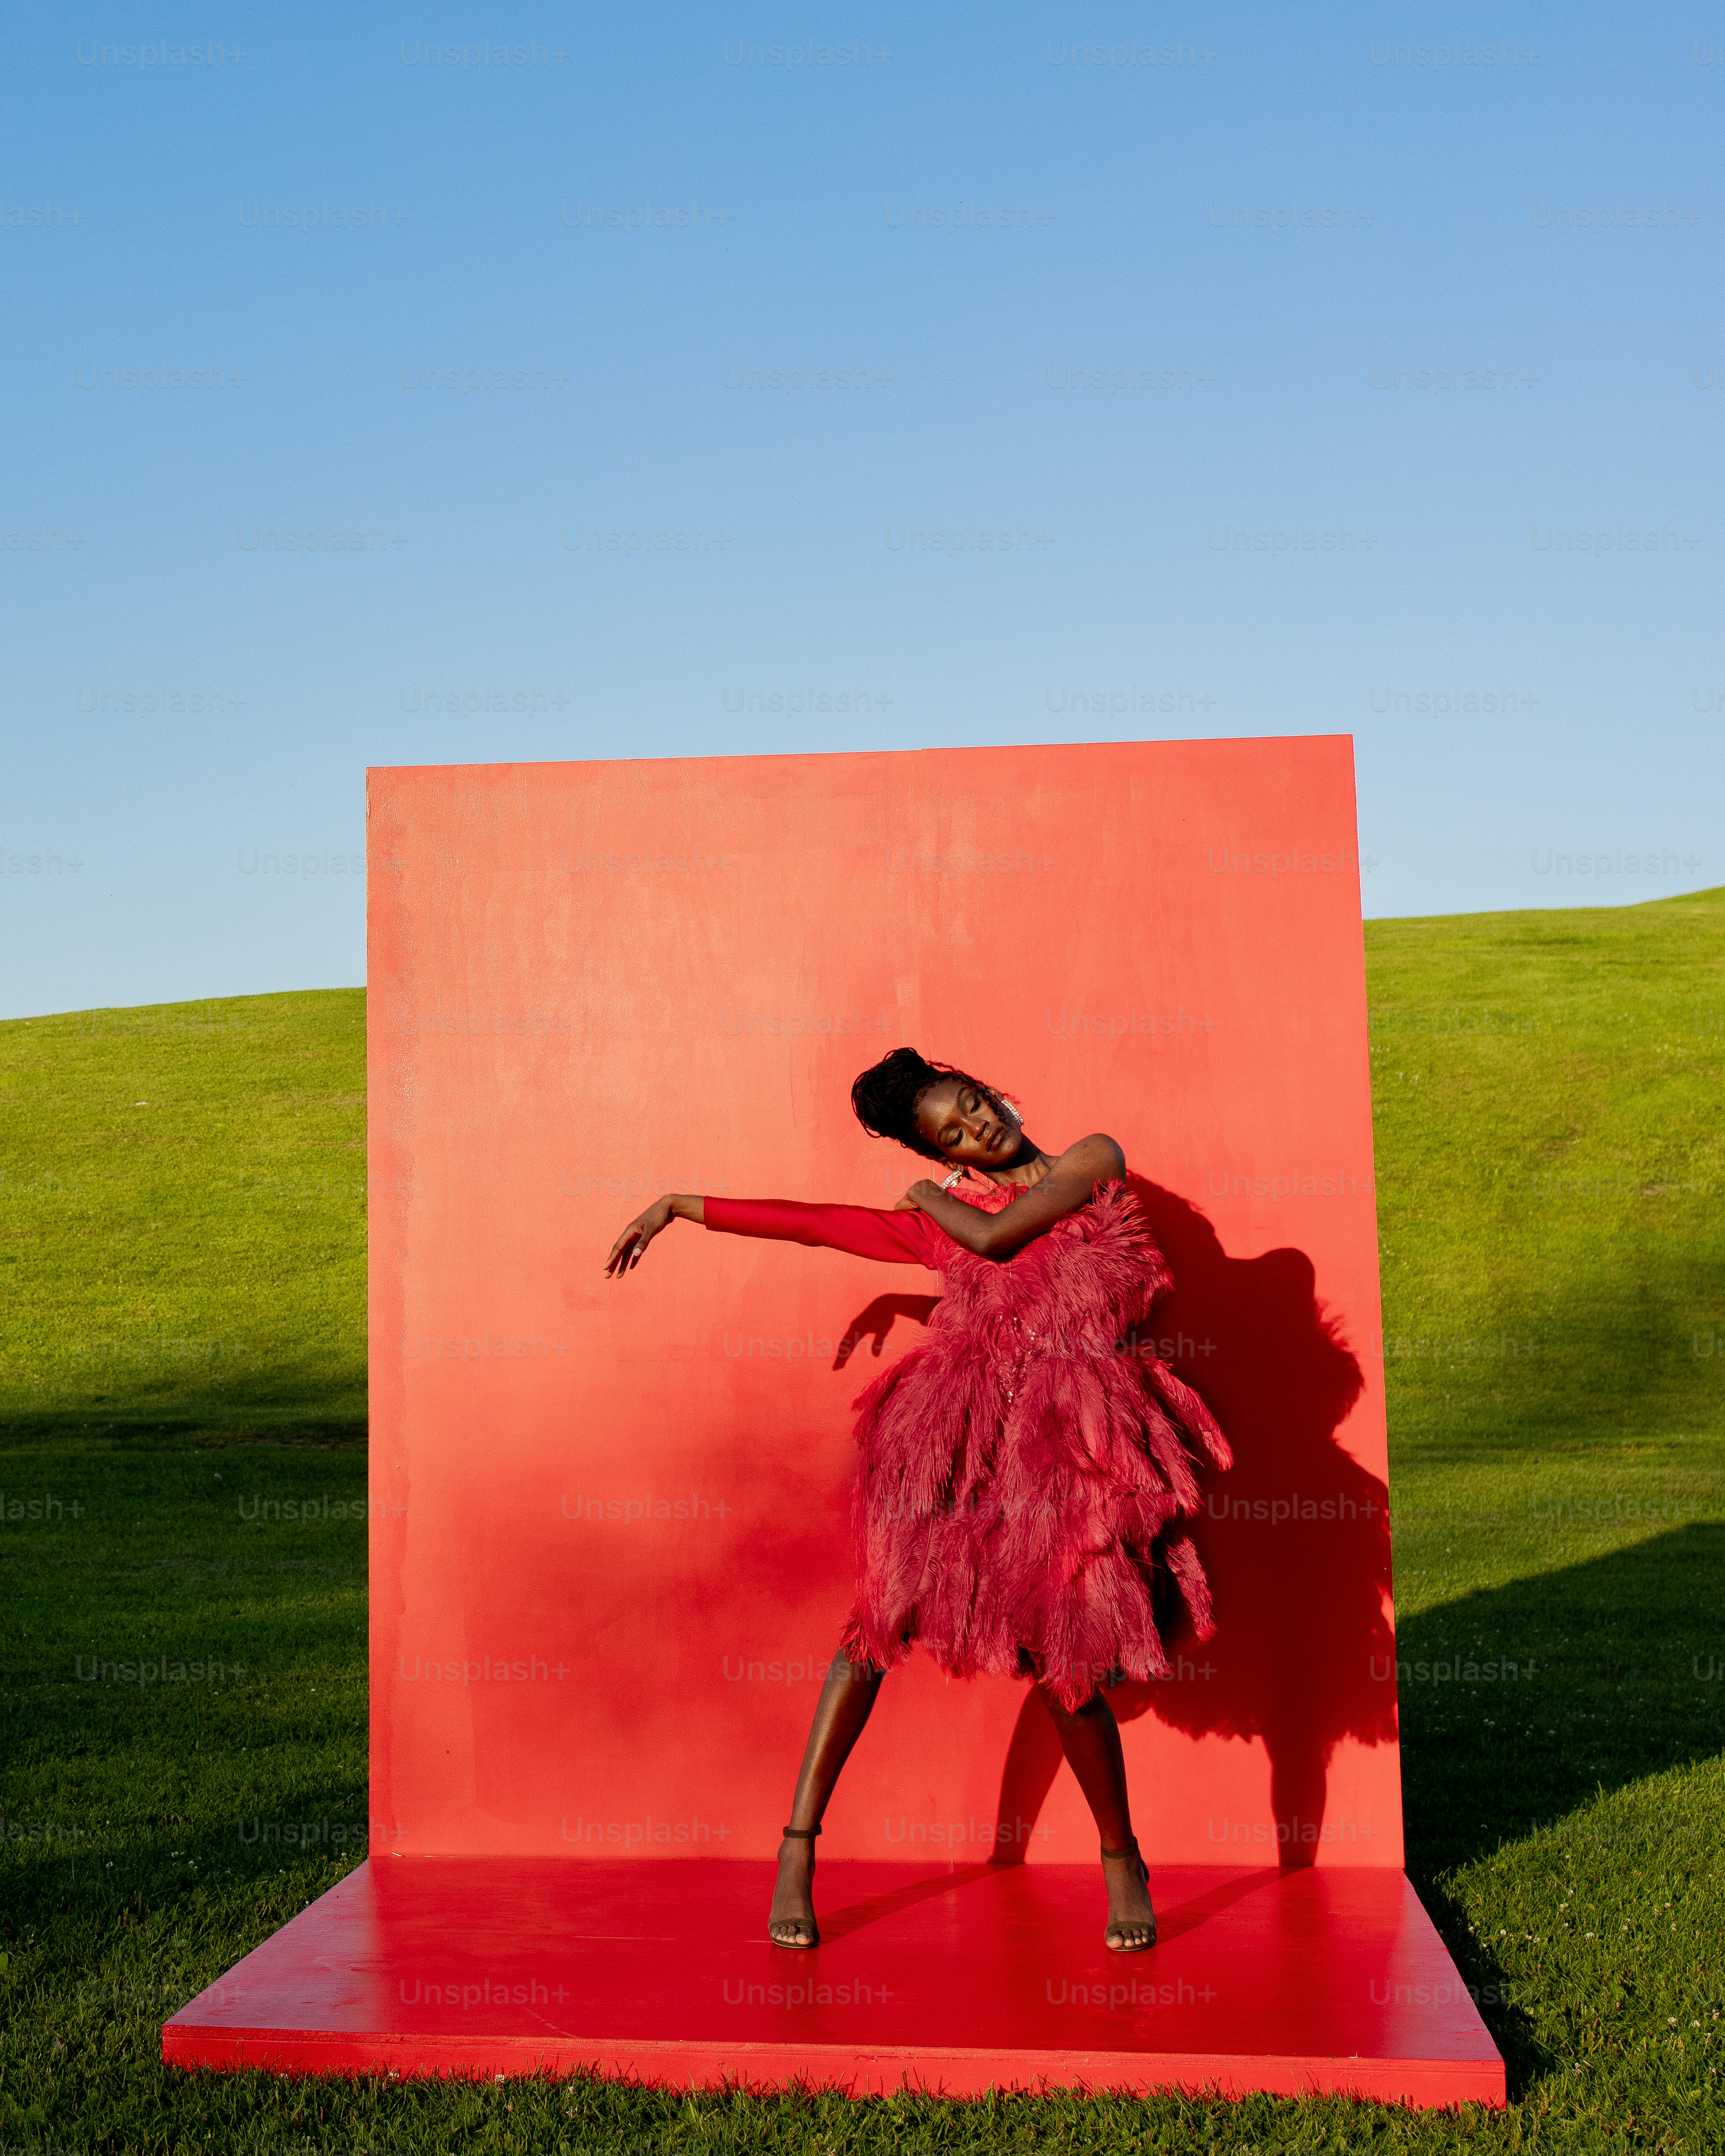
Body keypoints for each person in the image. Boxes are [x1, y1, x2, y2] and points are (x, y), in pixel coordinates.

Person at [603, 1047, 1231, 1953]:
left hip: (1073, 1442)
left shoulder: (1092, 1160)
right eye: (953, 1131)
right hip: (962, 1435)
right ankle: (796, 1847)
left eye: (973, 1104)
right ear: (948, 1151)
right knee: (874, 1625)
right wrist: (678, 1205)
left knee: (1069, 1654)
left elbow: (999, 1237)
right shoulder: (950, 1213)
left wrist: (930, 1195)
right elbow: (816, 1225)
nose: (978, 1125)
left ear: (993, 1092)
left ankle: (1121, 1857)